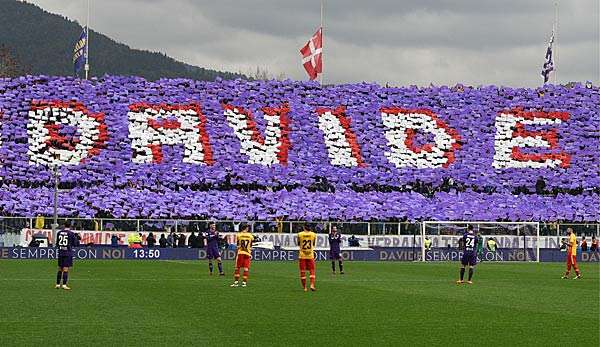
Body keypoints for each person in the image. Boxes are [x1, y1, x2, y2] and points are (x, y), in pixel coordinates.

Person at [55, 222, 77, 290]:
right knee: (65, 269)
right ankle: (64, 285)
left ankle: (58, 284)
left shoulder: (59, 232)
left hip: (61, 252)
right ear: (70, 226)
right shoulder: (71, 233)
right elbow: (75, 244)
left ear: (64, 226)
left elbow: (57, 243)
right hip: (68, 253)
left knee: (60, 269)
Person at [297, 224, 317, 292]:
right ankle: (312, 285)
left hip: (302, 255)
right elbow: (313, 244)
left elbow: (298, 243)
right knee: (312, 270)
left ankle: (305, 288)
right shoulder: (313, 234)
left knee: (302, 272)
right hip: (310, 255)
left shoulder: (300, 234)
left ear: (304, 227)